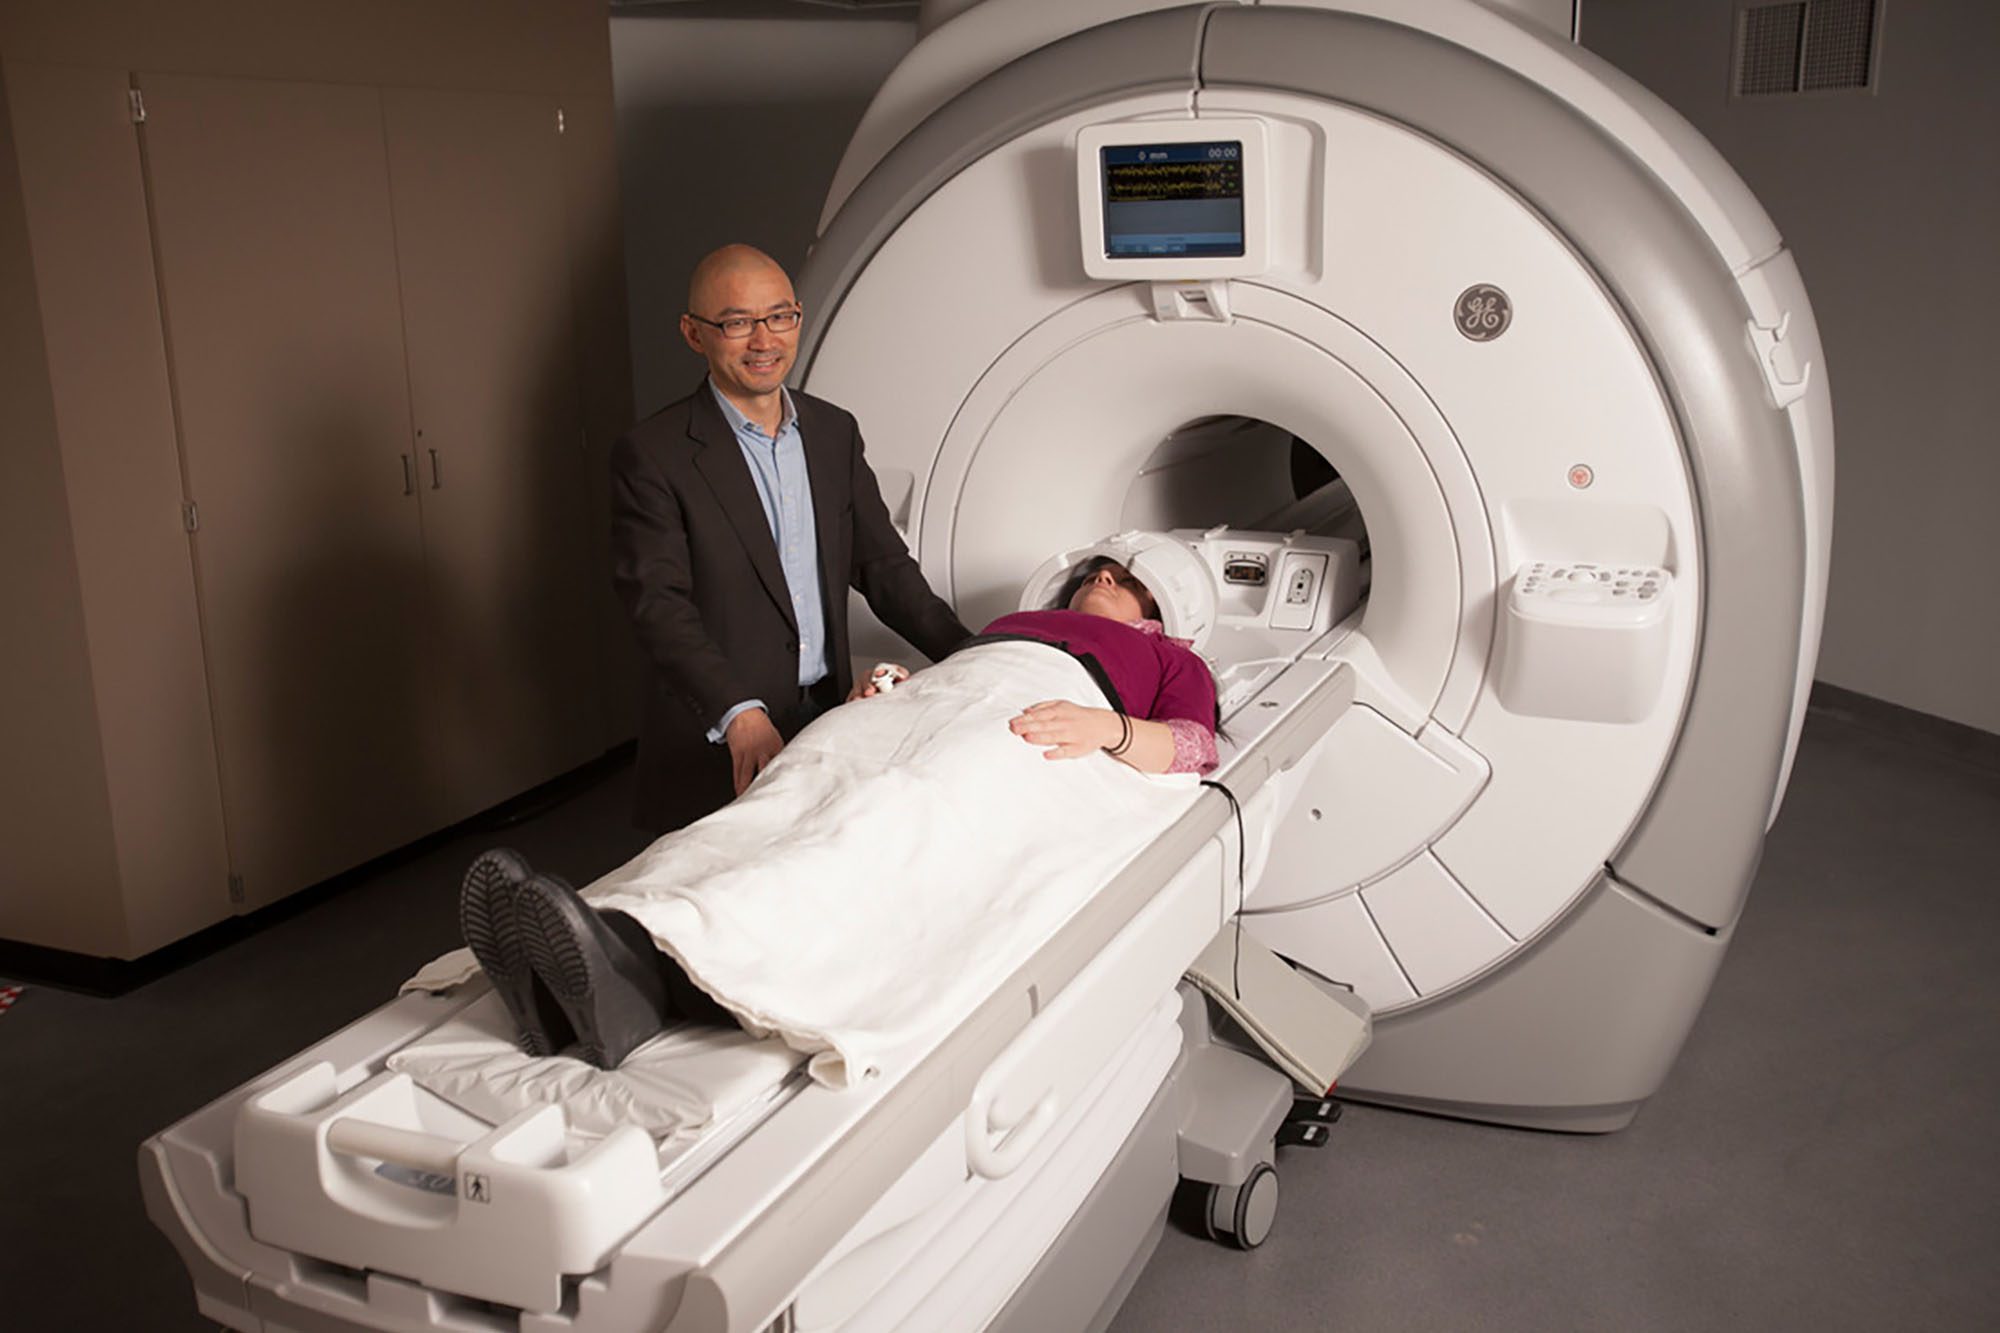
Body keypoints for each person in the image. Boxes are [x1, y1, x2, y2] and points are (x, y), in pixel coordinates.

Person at [462, 555, 1218, 1069]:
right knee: (794, 787)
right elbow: (964, 674)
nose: (1103, 577)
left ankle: (640, 969)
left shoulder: (1174, 661)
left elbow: (1195, 745)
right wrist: (897, 685)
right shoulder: (1008, 623)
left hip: (1032, 719)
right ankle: (602, 926)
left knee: (889, 812)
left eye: (1127, 581)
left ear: (1164, 615)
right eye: (1098, 570)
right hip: (939, 698)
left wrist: (1110, 729)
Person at [609, 243, 970, 834]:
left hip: (826, 715)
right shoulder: (654, 454)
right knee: (716, 881)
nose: (764, 340)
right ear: (694, 333)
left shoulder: (833, 432)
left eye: (780, 316)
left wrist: (968, 652)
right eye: (737, 323)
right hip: (721, 735)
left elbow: (883, 566)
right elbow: (657, 606)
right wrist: (738, 713)